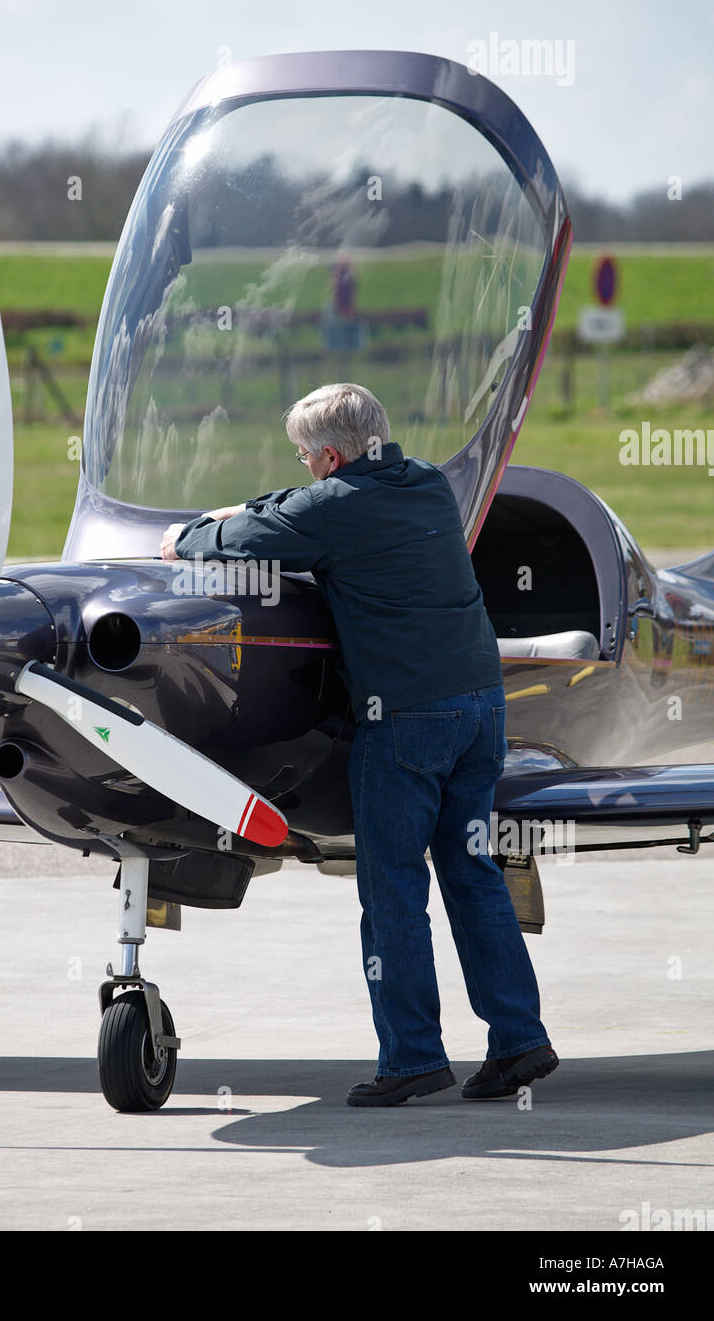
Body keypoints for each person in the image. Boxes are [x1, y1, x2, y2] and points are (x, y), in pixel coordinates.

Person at [161, 383, 558, 1106]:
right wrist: (278, 498)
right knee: (471, 876)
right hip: (480, 708)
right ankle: (519, 1041)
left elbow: (230, 540)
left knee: (393, 891)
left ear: (332, 455)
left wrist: (195, 530)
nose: (304, 467)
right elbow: (305, 505)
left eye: (307, 457)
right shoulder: (428, 484)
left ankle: (410, 1057)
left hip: (407, 720)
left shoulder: (332, 508)